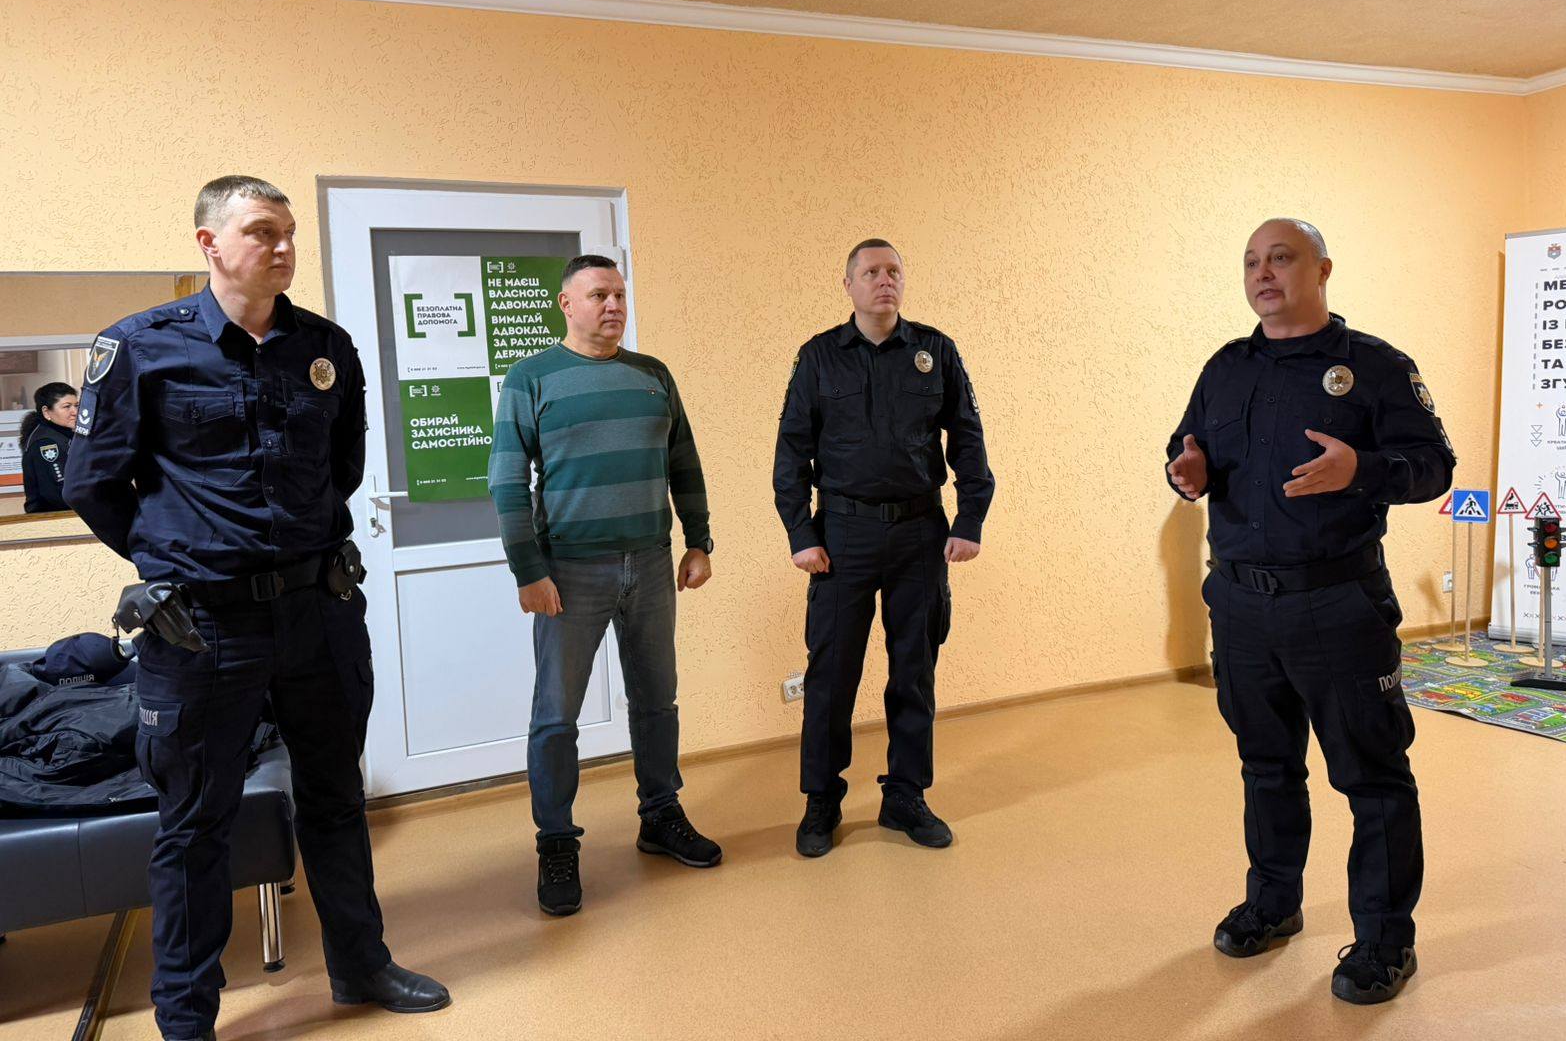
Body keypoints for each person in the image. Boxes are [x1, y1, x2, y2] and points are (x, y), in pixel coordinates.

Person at [64, 176, 448, 1041]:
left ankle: (361, 965)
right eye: (263, 231)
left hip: (318, 610)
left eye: (289, 233)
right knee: (196, 823)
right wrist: (175, 559)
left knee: (335, 798)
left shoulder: (325, 346)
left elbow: (342, 468)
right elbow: (92, 483)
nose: (282, 247)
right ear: (209, 243)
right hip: (203, 628)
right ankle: (187, 1016)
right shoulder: (140, 347)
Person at [1165, 218, 1455, 1005]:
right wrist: (1185, 471)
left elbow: (1434, 466)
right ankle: (1273, 903)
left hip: (1338, 606)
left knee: (1373, 778)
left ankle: (1385, 942)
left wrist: (1362, 468)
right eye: (1252, 262)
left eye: (1281, 258)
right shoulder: (1225, 368)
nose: (1263, 273)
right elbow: (1185, 448)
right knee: (1266, 766)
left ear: (1322, 270)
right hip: (1240, 604)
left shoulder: (1375, 367)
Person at [488, 254, 722, 919]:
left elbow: (684, 460)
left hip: (650, 561)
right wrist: (528, 569)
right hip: (569, 571)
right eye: (598, 295)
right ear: (567, 304)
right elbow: (506, 480)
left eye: (619, 294)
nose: (613, 305)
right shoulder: (532, 378)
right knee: (556, 715)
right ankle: (557, 843)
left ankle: (661, 814)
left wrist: (699, 540)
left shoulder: (653, 375)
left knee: (657, 700)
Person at [773, 238, 994, 858]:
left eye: (893, 270)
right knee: (831, 673)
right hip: (842, 537)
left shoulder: (936, 351)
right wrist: (801, 535)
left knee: (914, 671)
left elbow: (968, 439)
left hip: (920, 533)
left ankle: (905, 795)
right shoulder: (819, 357)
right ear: (848, 284)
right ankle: (822, 800)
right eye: (870, 271)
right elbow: (791, 453)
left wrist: (970, 519)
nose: (884, 279)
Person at [20, 381, 78, 513]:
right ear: (46, 412)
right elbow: (58, 492)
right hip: (53, 517)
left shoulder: (63, 434)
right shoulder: (46, 443)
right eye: (67, 407)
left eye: (76, 405)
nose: (75, 412)